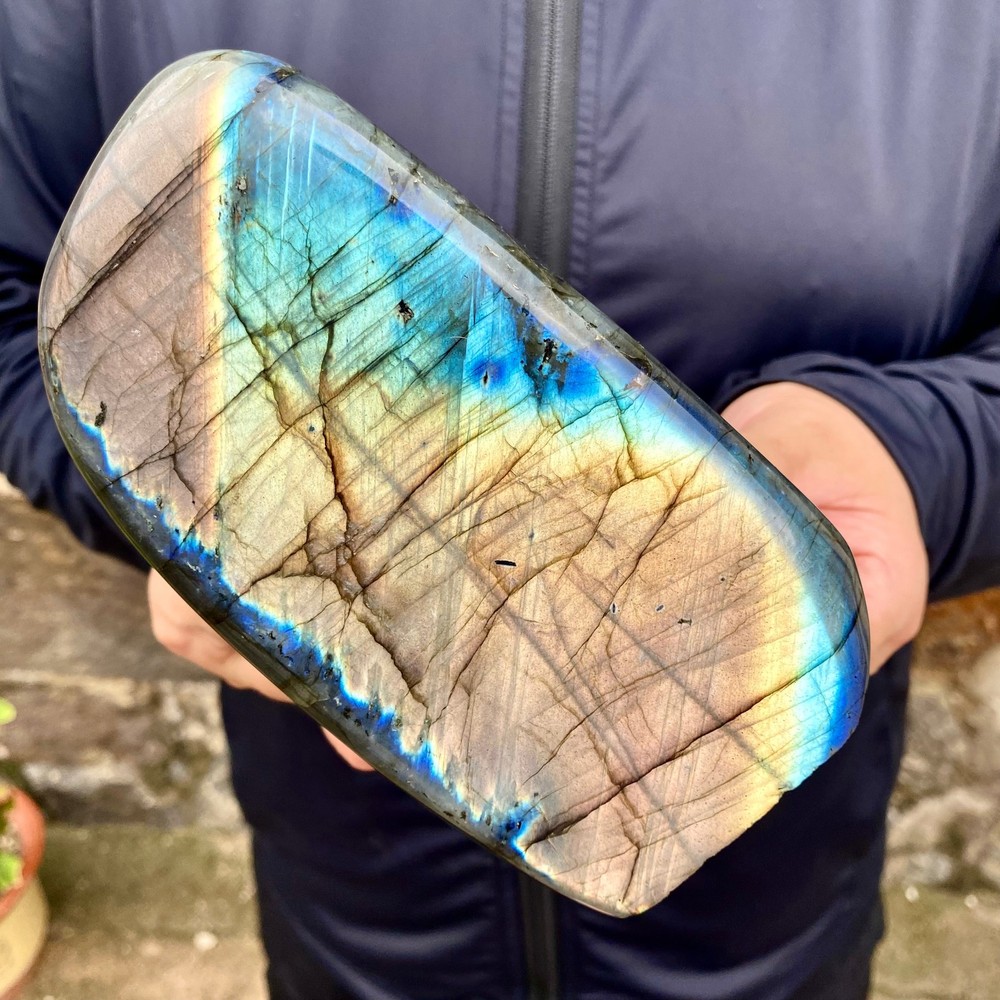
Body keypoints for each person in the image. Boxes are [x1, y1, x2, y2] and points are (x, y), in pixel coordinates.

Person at [2, 3, 998, 998]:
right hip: (357, 894)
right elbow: (17, 302)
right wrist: (167, 491)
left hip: (758, 893)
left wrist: (917, 454)